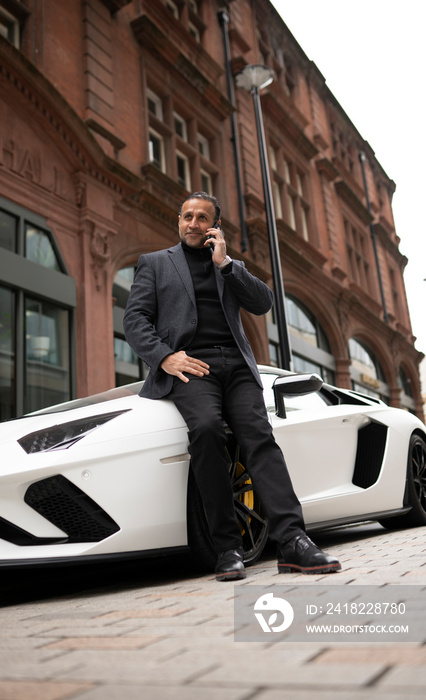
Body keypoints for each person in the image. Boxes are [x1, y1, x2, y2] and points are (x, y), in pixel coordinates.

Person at [123, 191, 341, 581]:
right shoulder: (155, 264)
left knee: (259, 437)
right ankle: (227, 546)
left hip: (237, 365)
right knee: (206, 431)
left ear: (214, 226)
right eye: (187, 216)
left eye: (202, 217)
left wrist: (225, 264)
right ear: (178, 221)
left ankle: (292, 540)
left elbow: (263, 303)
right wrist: (165, 357)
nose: (193, 223)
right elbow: (136, 319)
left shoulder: (228, 265)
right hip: (192, 366)